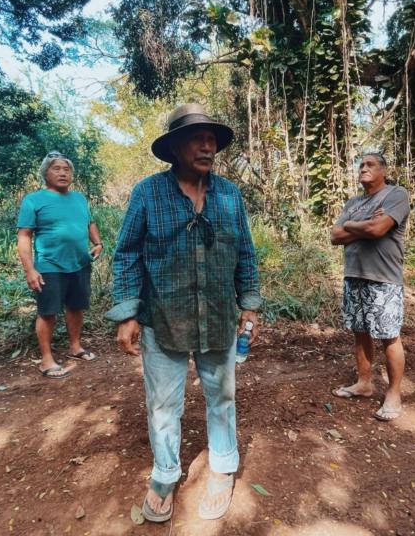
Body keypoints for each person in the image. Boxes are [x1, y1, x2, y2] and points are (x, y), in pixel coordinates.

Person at [106, 103, 261, 522]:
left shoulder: (229, 194)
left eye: (212, 139)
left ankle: (223, 468)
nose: (208, 146)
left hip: (216, 318)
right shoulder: (148, 193)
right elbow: (126, 255)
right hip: (163, 318)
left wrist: (249, 305)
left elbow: (245, 251)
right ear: (175, 147)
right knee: (163, 404)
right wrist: (127, 313)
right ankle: (164, 474)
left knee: (222, 397)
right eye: (198, 138)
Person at [330, 153, 410, 421]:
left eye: (370, 165)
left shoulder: (395, 195)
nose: (363, 168)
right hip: (354, 275)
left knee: (389, 335)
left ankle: (394, 394)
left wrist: (351, 226)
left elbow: (378, 230)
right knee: (360, 332)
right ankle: (364, 384)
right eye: (361, 165)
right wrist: (361, 225)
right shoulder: (353, 202)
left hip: (383, 278)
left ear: (383, 171)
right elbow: (335, 235)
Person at [17, 151, 103, 379]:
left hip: (80, 263)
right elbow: (24, 235)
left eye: (67, 169)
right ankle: (46, 360)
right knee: (48, 312)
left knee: (76, 307)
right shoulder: (33, 200)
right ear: (45, 173)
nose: (63, 173)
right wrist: (30, 269)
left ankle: (75, 347)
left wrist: (97, 242)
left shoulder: (79, 199)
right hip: (49, 265)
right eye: (57, 168)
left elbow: (90, 222)